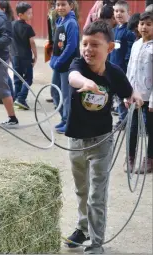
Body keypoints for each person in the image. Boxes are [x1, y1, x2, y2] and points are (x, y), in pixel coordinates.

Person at [64, 20, 143, 254]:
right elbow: (72, 78)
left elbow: (130, 93)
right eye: (85, 44)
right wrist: (86, 83)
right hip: (76, 140)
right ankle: (82, 228)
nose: (88, 49)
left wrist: (135, 98)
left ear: (109, 48)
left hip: (101, 142)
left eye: (95, 45)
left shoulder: (114, 73)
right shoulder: (78, 65)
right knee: (82, 190)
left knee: (97, 195)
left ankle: (96, 243)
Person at [125, 11, 153, 173]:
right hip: (135, 95)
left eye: (149, 24)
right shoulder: (136, 44)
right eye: (142, 24)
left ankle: (149, 159)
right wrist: (126, 92)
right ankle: (130, 158)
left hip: (149, 97)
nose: (144, 27)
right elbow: (130, 70)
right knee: (132, 127)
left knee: (150, 128)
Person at [49, 0, 80, 134]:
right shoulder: (59, 21)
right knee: (55, 91)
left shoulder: (71, 23)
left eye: (63, 4)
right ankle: (63, 117)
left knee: (66, 95)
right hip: (58, 65)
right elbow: (57, 44)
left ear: (71, 6)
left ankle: (69, 122)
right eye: (58, 5)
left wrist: (60, 60)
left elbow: (71, 46)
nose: (60, 7)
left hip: (67, 65)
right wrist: (53, 59)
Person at [110, 0, 136, 129]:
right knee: (115, 97)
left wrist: (126, 67)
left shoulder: (128, 32)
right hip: (113, 68)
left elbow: (130, 52)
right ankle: (122, 118)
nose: (119, 14)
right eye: (116, 11)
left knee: (123, 96)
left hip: (123, 70)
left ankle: (124, 120)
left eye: (122, 11)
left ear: (128, 13)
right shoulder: (113, 30)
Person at [11, 2, 37, 110]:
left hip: (14, 57)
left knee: (17, 78)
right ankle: (21, 99)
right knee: (28, 79)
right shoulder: (28, 28)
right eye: (29, 13)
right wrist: (35, 56)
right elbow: (32, 43)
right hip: (25, 57)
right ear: (21, 15)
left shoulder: (11, 25)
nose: (31, 15)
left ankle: (16, 98)